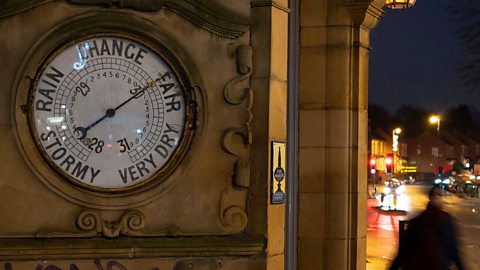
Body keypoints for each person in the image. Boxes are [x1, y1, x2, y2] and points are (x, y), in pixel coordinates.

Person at [389, 186, 464, 270]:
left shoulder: (417, 221)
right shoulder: (446, 221)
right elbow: (454, 251)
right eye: (440, 197)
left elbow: (403, 252)